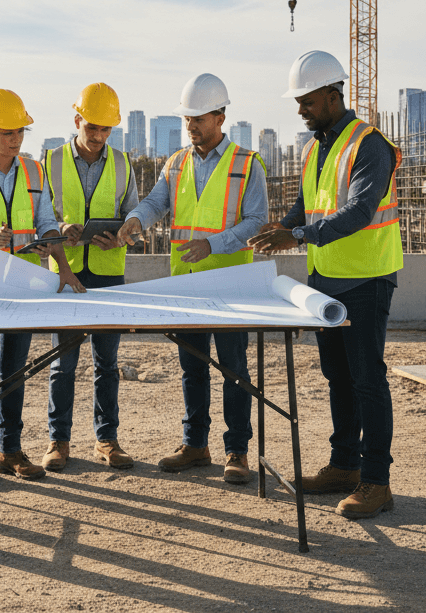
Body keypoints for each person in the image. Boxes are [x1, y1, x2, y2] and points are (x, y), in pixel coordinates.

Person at [249, 49, 402, 519]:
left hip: (366, 279)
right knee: (338, 377)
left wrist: (294, 235)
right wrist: (283, 227)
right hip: (326, 281)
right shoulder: (317, 146)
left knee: (367, 380)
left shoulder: (370, 144)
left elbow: (358, 211)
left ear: (333, 94)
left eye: (307, 100)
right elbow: (307, 206)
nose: (300, 109)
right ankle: (343, 465)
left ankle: (376, 481)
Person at [116, 73, 268, 485]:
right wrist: (135, 220)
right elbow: (156, 203)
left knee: (234, 369)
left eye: (198, 118)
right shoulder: (177, 162)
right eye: (187, 119)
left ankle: (237, 451)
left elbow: (257, 220)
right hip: (186, 284)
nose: (191, 126)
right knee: (192, 368)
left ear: (220, 116)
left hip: (232, 285)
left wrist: (214, 244)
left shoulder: (247, 164)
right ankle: (195, 444)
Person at [0, 88, 86, 485]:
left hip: (24, 286)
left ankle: (9, 450)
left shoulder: (33, 171)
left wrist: (62, 265)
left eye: (20, 132)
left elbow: (47, 221)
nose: (16, 139)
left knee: (14, 372)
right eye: (8, 133)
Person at [40, 83, 141, 472]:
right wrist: (60, 226)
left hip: (107, 271)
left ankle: (107, 439)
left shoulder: (122, 163)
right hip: (65, 272)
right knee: (62, 363)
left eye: (106, 129)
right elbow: (42, 214)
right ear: (77, 119)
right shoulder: (51, 160)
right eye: (92, 127)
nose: (98, 136)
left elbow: (134, 215)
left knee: (106, 362)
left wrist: (121, 235)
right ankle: (58, 441)